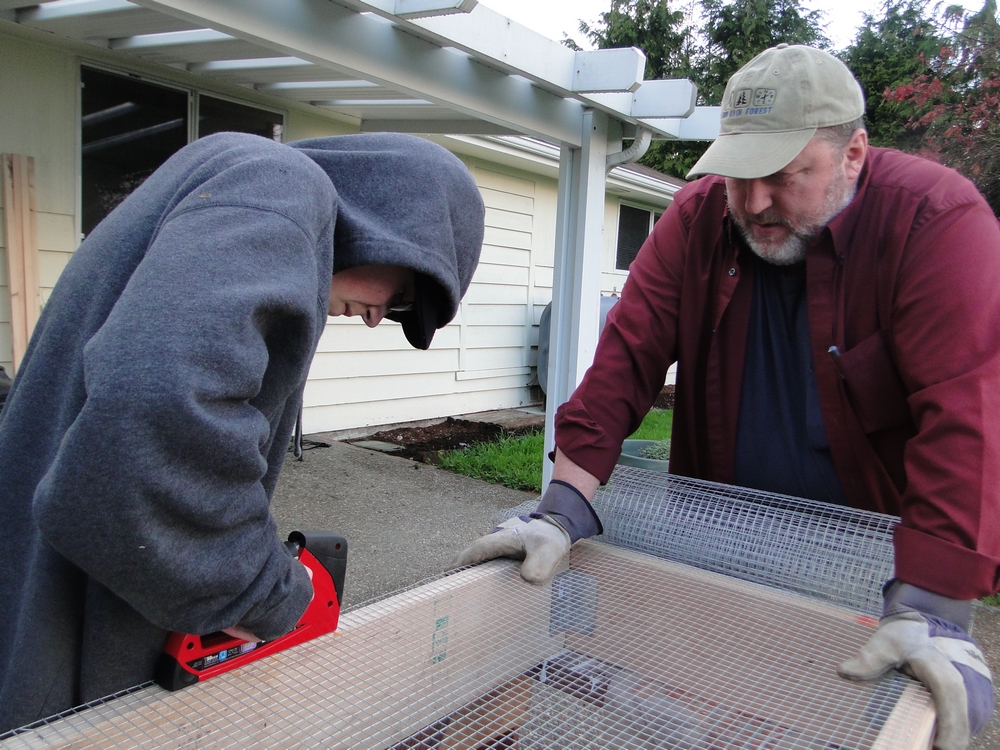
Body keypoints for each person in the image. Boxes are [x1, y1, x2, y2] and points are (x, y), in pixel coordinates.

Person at [456, 44, 999, 750]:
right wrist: (560, 508)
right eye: (740, 174)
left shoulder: (935, 221)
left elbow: (966, 412)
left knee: (843, 726)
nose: (753, 202)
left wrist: (934, 604)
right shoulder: (698, 217)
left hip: (870, 569)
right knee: (717, 722)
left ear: (853, 154)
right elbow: (624, 360)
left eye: (782, 175)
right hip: (719, 542)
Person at [0, 131, 484, 733]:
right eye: (403, 292)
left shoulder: (231, 180)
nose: (378, 316)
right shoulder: (279, 187)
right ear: (390, 216)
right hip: (66, 645)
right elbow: (154, 424)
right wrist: (264, 594)